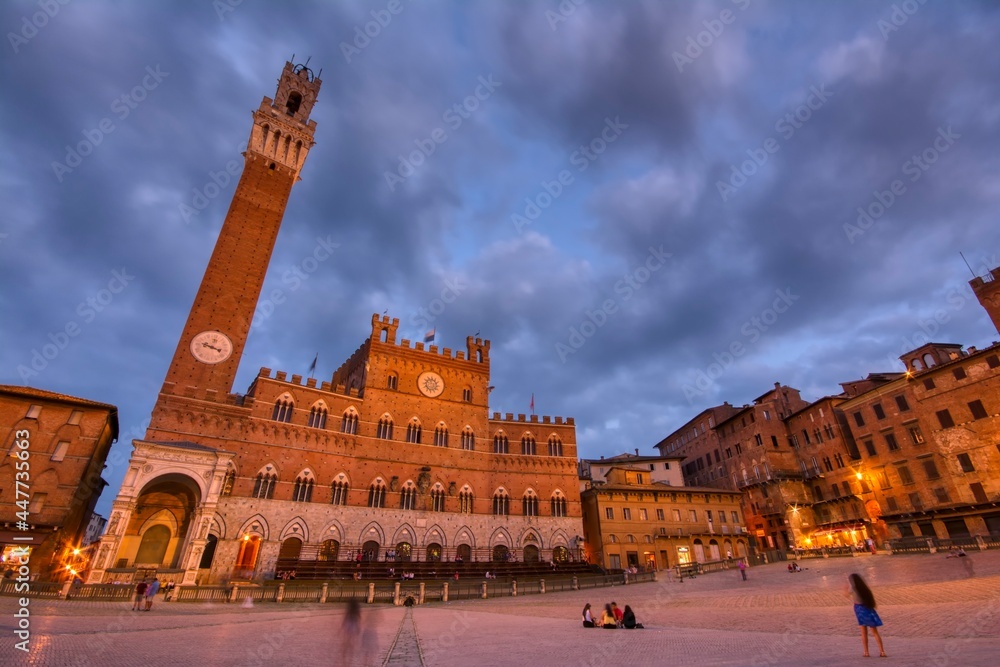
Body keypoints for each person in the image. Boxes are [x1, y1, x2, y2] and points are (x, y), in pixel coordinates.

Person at [848, 573, 886, 658]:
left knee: (864, 632)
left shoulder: (853, 589)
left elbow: (847, 595)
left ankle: (866, 652)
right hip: (868, 608)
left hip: (860, 610)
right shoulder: (865, 588)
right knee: (875, 632)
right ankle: (882, 651)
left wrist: (845, 589)